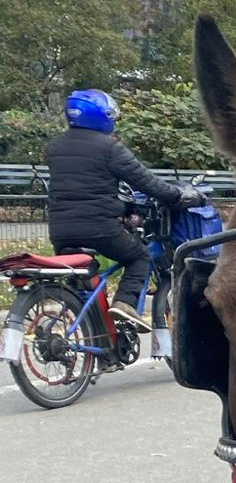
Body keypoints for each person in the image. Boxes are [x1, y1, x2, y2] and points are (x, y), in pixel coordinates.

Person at [45, 90, 202, 331]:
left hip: (60, 230)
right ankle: (125, 304)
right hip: (98, 228)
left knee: (85, 278)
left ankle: (95, 336)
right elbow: (145, 181)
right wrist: (177, 195)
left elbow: (82, 186)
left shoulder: (54, 147)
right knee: (140, 256)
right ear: (101, 117)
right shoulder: (109, 148)